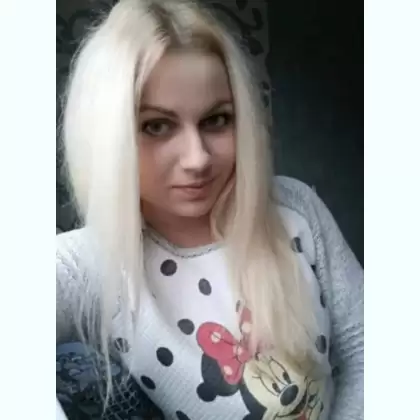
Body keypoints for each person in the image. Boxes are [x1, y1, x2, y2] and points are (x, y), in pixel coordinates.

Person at [56, 0, 364, 419]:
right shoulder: (98, 263)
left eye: (216, 120)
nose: (197, 158)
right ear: (108, 137)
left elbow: (367, 348)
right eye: (156, 126)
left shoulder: (295, 208)